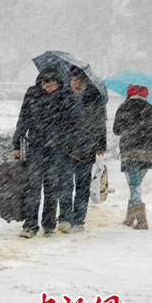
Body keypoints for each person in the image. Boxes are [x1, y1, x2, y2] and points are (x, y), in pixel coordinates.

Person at [12, 67, 76, 238]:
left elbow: (73, 124)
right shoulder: (32, 94)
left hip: (58, 149)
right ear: (40, 83)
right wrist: (16, 144)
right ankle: (30, 226)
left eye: (52, 85)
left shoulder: (66, 96)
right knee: (32, 187)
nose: (49, 88)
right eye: (45, 84)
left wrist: (68, 144)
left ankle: (48, 225)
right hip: (36, 147)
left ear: (58, 83)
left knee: (52, 188)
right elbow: (23, 119)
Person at [57, 66, 107, 233]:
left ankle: (79, 220)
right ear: (70, 80)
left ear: (87, 83)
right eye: (75, 80)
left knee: (82, 186)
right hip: (66, 148)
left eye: (81, 81)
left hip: (87, 148)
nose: (77, 84)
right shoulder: (62, 97)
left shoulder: (95, 100)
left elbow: (101, 123)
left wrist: (101, 144)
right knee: (65, 185)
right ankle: (65, 218)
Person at [113, 84, 152, 230]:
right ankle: (129, 218)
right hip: (147, 152)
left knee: (134, 185)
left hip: (129, 151)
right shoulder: (150, 108)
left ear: (129, 93)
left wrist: (129, 127)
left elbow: (116, 130)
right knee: (135, 185)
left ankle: (141, 219)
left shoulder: (124, 107)